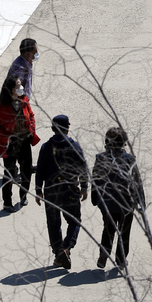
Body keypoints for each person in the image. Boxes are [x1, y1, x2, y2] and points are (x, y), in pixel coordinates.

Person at [35, 114, 88, 270]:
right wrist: (84, 187)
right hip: (70, 191)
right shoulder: (74, 146)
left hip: (51, 191)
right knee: (74, 220)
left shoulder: (46, 147)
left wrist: (38, 191)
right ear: (67, 128)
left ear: (52, 129)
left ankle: (59, 255)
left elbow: (40, 170)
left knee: (53, 224)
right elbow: (83, 168)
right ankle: (66, 248)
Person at [92, 127, 143, 270]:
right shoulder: (129, 160)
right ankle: (121, 259)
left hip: (107, 202)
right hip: (126, 203)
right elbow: (137, 181)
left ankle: (104, 254)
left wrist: (95, 198)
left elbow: (95, 179)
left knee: (108, 229)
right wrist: (141, 202)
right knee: (124, 232)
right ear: (124, 143)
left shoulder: (100, 158)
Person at [0, 75, 40, 212]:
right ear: (11, 89)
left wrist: (31, 130)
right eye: (18, 86)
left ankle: (23, 195)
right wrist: (7, 137)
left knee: (26, 171)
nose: (21, 88)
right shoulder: (1, 108)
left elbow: (31, 116)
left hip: (25, 141)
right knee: (9, 174)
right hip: (11, 145)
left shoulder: (24, 100)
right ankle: (7, 203)